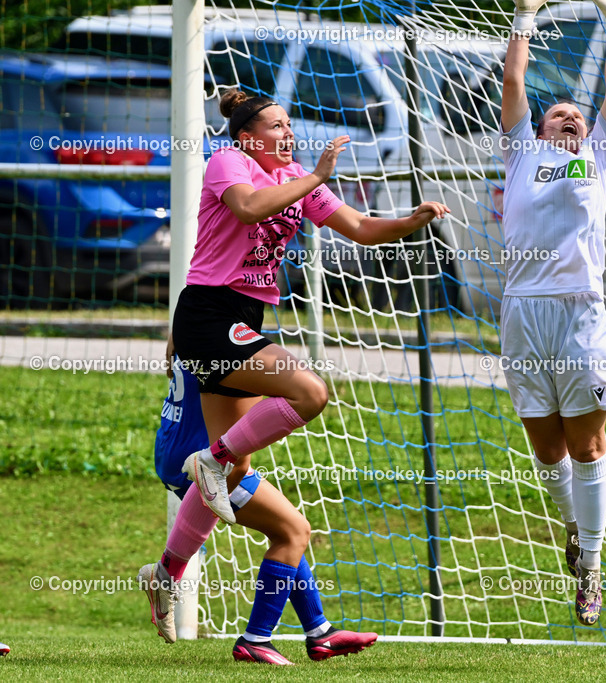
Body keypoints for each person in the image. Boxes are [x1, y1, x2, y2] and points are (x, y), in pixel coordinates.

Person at [140, 88, 449, 663]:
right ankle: (213, 470)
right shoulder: (230, 162)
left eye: (289, 125)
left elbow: (358, 227)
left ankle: (170, 570)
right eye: (276, 126)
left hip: (236, 317)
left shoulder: (298, 178)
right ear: (247, 135)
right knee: (309, 391)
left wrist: (412, 220)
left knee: (239, 479)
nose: (287, 134)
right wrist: (315, 177)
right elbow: (251, 209)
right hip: (211, 314)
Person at [499, 0, 606, 626]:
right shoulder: (521, 154)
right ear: (538, 129)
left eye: (576, 117)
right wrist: (524, 16)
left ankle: (592, 566)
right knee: (547, 450)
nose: (569, 119)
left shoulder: (598, 160)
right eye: (558, 114)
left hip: (580, 315)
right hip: (523, 316)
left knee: (587, 445)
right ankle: (574, 532)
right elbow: (513, 82)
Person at [139, 356, 375, 664]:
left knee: (284, 530)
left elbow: (174, 360)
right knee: (294, 531)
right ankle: (256, 639)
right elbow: (239, 453)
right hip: (202, 457)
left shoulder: (194, 323)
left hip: (171, 445)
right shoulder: (238, 351)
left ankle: (319, 630)